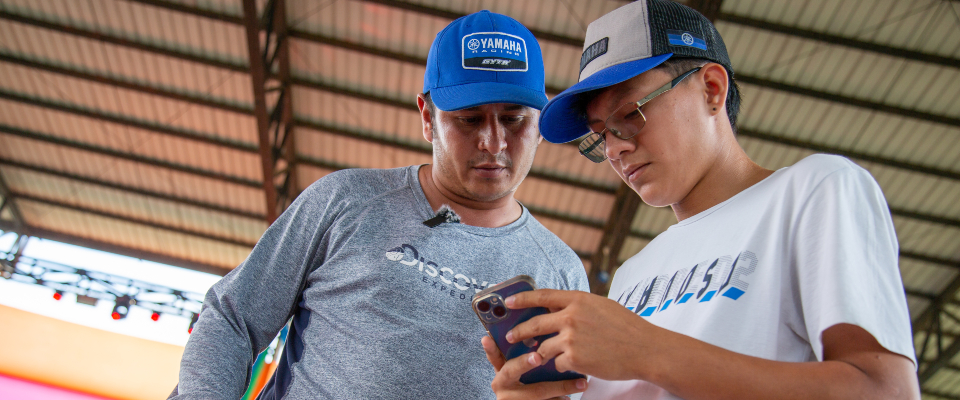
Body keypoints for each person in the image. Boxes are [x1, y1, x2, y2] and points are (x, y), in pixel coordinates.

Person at [482, 1, 919, 399]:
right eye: (600, 134)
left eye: (629, 115)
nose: (613, 149)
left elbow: (886, 391)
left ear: (711, 89)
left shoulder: (812, 191)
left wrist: (648, 350)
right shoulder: (633, 275)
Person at [170, 10, 589, 400]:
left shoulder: (560, 271)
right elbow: (233, 318)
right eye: (469, 119)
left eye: (514, 119)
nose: (492, 142)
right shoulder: (348, 200)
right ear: (428, 117)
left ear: (539, 124)